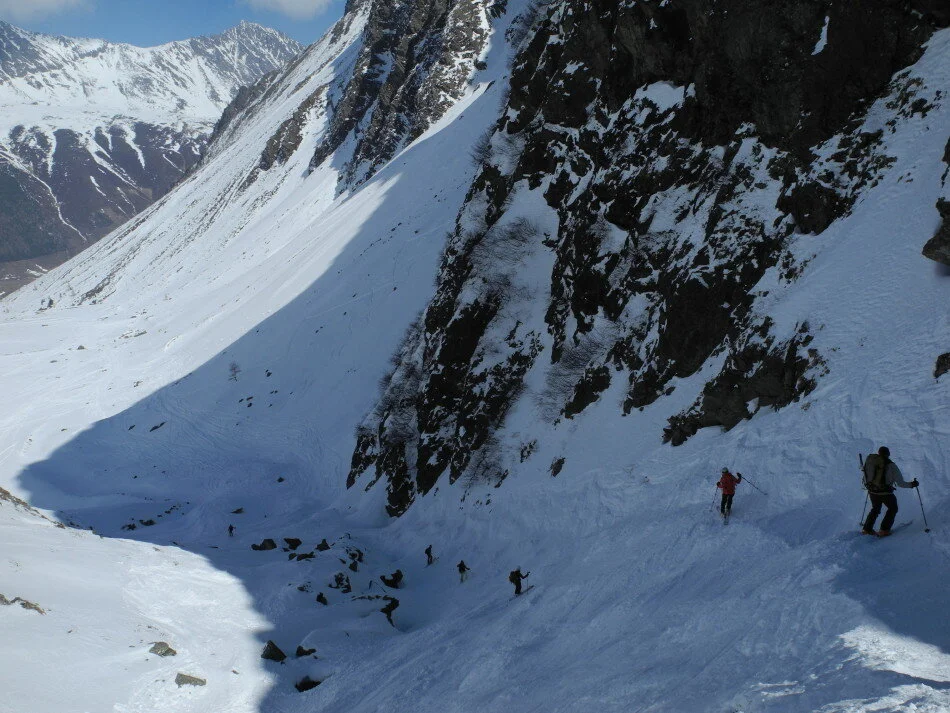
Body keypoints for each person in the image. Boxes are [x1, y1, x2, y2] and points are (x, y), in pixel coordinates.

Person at [862, 446, 918, 536]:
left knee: (875, 509)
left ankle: (867, 529)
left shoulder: (870, 461)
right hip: (885, 493)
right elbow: (900, 483)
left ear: (879, 452)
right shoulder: (891, 465)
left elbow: (865, 476)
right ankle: (884, 530)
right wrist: (912, 484)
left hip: (872, 491)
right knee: (893, 508)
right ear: (888, 454)